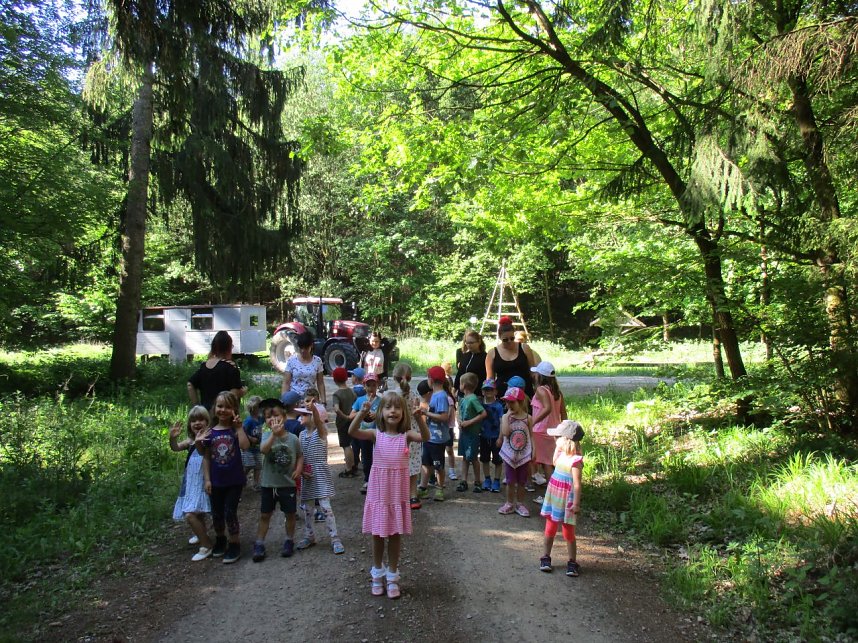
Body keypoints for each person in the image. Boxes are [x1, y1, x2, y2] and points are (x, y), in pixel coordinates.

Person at [350, 391, 430, 598]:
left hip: (397, 495)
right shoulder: (376, 434)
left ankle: (392, 575)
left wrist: (419, 417)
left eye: (397, 407)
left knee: (395, 535)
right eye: (387, 407)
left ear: (404, 412)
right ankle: (377, 573)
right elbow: (352, 431)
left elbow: (426, 437)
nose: (392, 411)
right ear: (381, 412)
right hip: (379, 493)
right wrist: (362, 412)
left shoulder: (407, 436)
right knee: (378, 535)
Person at [198, 390, 250, 564]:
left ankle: (234, 543)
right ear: (214, 408)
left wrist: (239, 427)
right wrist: (207, 479)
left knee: (230, 512)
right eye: (220, 406)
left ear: (235, 410)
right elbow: (204, 456)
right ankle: (220, 539)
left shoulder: (235, 431)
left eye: (228, 407)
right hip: (216, 480)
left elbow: (245, 446)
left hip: (234, 480)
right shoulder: (210, 432)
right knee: (217, 513)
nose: (223, 410)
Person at [252, 399, 304, 562]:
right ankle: (259, 543)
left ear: (284, 417)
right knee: (265, 514)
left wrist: (298, 469)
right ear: (265, 421)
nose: (272, 419)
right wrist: (273, 435)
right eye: (268, 417)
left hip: (287, 484)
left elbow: (300, 455)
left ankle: (289, 540)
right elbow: (263, 450)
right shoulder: (267, 435)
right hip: (268, 484)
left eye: (276, 415)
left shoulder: (293, 438)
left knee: (290, 514)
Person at [296, 403, 344, 554]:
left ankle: (335, 538)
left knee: (325, 507)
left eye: (304, 414)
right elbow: (300, 455)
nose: (300, 417)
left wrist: (314, 410)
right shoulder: (301, 435)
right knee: (307, 508)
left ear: (314, 416)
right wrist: (302, 471)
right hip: (307, 474)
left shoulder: (321, 432)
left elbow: (318, 423)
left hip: (321, 473)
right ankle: (309, 536)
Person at [539, 420, 584, 577]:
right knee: (550, 528)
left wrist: (576, 504)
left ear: (566, 440)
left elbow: (577, 484)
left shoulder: (576, 462)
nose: (555, 439)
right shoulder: (560, 455)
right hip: (555, 497)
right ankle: (546, 557)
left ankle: (572, 561)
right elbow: (553, 461)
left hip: (567, 500)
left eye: (557, 437)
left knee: (568, 532)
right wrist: (558, 448)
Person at [170, 405, 213, 561]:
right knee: (197, 513)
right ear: (189, 424)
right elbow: (176, 448)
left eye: (201, 419)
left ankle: (206, 544)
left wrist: (201, 442)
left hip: (203, 482)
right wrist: (173, 438)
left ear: (207, 421)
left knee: (191, 514)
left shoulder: (209, 438)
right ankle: (200, 533)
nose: (197, 423)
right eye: (193, 420)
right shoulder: (190, 440)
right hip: (191, 483)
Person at [530, 361, 566, 503]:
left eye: (536, 373)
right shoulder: (557, 392)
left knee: (547, 465)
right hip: (554, 430)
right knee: (552, 463)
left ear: (540, 376)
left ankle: (550, 498)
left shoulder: (541, 390)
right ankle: (557, 494)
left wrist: (532, 422)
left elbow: (547, 408)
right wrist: (564, 430)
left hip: (541, 431)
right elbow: (563, 413)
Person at [496, 386, 533, 517]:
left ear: (521, 402)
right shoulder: (506, 418)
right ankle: (509, 503)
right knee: (510, 481)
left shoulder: (528, 418)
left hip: (523, 454)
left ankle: (520, 504)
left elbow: (532, 436)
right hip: (509, 455)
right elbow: (505, 432)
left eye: (512, 402)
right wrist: (505, 418)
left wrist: (534, 451)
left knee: (522, 481)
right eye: (507, 402)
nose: (509, 405)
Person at [391, 362, 424, 509]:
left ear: (394, 377)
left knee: (397, 465)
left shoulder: (391, 396)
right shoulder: (415, 395)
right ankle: (413, 496)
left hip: (396, 435)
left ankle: (397, 496)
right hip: (414, 434)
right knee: (413, 464)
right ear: (410, 378)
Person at [187, 331, 246, 412]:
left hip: (206, 415)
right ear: (229, 347)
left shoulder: (204, 366)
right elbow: (233, 395)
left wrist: (197, 407)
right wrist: (242, 392)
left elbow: (190, 385)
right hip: (223, 416)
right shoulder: (230, 368)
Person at [417, 366, 452, 502]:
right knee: (426, 463)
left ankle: (439, 488)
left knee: (438, 465)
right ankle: (423, 488)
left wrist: (426, 412)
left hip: (438, 439)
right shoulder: (435, 395)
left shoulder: (441, 396)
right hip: (429, 436)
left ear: (431, 380)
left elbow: (444, 417)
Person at [485, 316, 536, 398]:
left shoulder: (525, 348)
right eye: (505, 340)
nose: (509, 342)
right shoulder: (492, 353)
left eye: (512, 338)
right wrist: (489, 396)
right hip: (502, 394)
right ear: (500, 337)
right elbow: (490, 378)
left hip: (525, 393)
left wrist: (538, 388)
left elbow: (533, 372)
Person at [350, 372, 382, 494]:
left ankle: (378, 479)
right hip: (363, 433)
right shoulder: (360, 400)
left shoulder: (381, 401)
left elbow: (386, 415)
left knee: (378, 456)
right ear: (364, 386)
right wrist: (362, 413)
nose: (371, 388)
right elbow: (351, 415)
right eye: (368, 385)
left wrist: (377, 415)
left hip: (377, 434)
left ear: (377, 386)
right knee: (366, 457)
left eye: (374, 385)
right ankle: (368, 479)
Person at [456, 373, 487, 492]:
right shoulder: (463, 399)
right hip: (464, 434)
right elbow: (460, 413)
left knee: (473, 458)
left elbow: (483, 413)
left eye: (460, 383)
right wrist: (459, 420)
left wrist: (469, 422)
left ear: (463, 385)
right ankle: (464, 481)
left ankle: (477, 481)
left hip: (472, 434)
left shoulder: (473, 399)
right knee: (465, 457)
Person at [280, 331, 326, 402]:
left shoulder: (318, 361)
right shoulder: (291, 360)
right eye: (300, 348)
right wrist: (283, 400)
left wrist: (323, 401)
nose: (302, 351)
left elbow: (320, 383)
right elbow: (286, 382)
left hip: (311, 399)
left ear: (311, 346)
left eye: (305, 348)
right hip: (293, 399)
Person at [332, 367, 359, 478]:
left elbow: (337, 409)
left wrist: (345, 417)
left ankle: (349, 469)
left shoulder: (336, 394)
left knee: (346, 445)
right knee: (352, 443)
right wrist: (351, 416)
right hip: (353, 421)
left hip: (343, 422)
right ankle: (353, 464)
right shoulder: (352, 392)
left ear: (334, 380)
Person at [479, 379, 504, 493]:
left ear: (496, 391)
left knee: (497, 460)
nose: (488, 392)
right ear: (482, 391)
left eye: (491, 389)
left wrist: (500, 437)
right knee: (484, 459)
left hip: (495, 437)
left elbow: (502, 422)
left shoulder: (499, 406)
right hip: (483, 436)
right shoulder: (480, 405)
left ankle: (497, 480)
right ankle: (487, 479)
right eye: (486, 389)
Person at [453, 330, 487, 397]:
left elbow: (486, 376)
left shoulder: (485, 357)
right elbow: (460, 373)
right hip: (462, 393)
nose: (469, 345)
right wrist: (455, 388)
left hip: (477, 394)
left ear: (479, 342)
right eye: (467, 343)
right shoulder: (465, 356)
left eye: (471, 343)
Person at [241, 396, 264, 490]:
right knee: (248, 464)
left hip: (257, 447)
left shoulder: (260, 419)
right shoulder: (249, 420)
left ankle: (256, 483)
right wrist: (250, 438)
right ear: (253, 408)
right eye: (259, 407)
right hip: (248, 448)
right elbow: (242, 430)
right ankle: (242, 478)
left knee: (258, 465)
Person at [441, 363, 458, 482]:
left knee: (449, 449)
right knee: (440, 450)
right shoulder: (440, 397)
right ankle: (438, 471)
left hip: (447, 428)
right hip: (439, 428)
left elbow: (447, 415)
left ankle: (451, 470)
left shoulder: (448, 399)